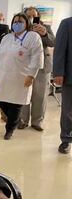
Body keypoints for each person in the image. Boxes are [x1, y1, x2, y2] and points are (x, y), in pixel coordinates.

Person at [0, 13, 43, 140]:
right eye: (15, 21)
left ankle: (9, 129)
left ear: (27, 24)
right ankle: (15, 119)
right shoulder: (7, 37)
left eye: (20, 21)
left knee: (15, 104)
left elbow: (37, 57)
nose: (17, 24)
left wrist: (31, 75)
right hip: (4, 75)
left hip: (21, 76)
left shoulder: (33, 37)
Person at [18, 7, 55, 131]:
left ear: (38, 16)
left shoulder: (46, 28)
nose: (32, 18)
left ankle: (37, 122)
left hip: (42, 67)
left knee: (40, 96)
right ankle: (22, 120)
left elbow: (53, 42)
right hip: (25, 66)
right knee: (24, 93)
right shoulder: (21, 27)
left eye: (34, 16)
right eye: (28, 16)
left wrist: (44, 34)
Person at [53, 17, 72, 154]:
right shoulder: (67, 23)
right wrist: (58, 72)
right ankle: (66, 139)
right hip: (70, 75)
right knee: (68, 110)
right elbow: (59, 49)